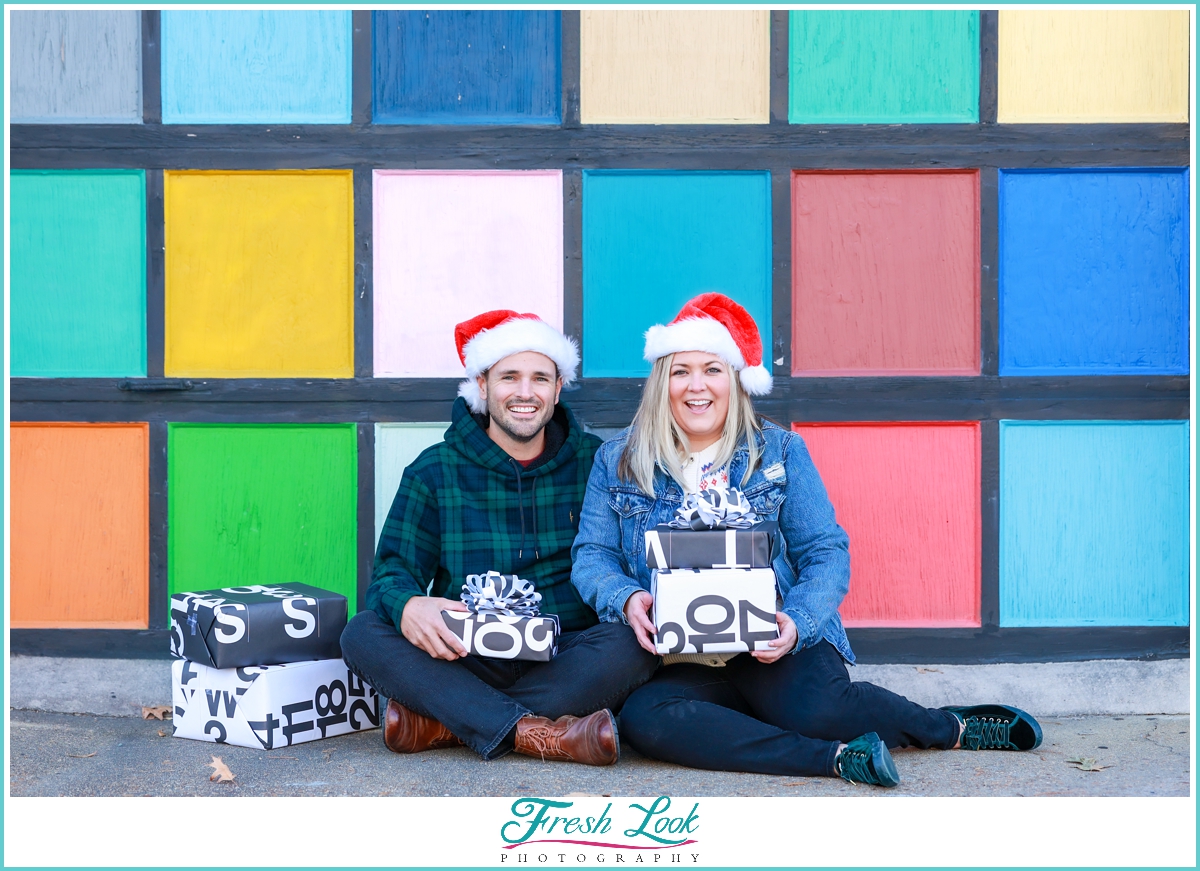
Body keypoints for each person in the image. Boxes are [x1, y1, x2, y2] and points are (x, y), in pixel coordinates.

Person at [571, 293, 1042, 786]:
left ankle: (952, 726)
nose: (696, 387)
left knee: (817, 710)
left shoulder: (779, 451)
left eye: (712, 369)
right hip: (680, 656)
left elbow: (825, 551)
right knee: (648, 718)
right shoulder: (619, 459)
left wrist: (796, 622)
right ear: (661, 381)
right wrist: (625, 599)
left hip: (770, 641)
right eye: (680, 371)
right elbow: (592, 555)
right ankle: (833, 759)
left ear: (734, 380)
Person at [342, 310, 659, 766]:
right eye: (510, 377)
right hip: (464, 651)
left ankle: (447, 721)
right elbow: (392, 575)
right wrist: (410, 605)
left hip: (565, 653)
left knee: (633, 643)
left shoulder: (598, 461)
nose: (525, 393)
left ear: (557, 388)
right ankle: (538, 733)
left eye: (540, 378)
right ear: (483, 384)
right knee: (362, 632)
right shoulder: (434, 469)